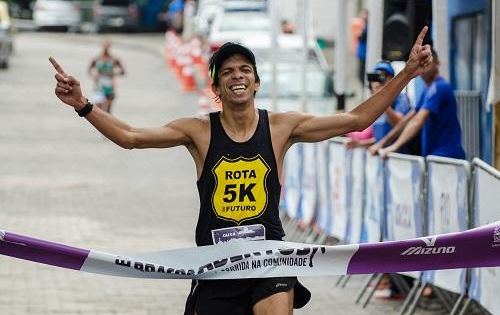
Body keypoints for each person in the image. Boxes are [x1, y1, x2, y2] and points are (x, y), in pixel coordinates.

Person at [49, 26, 432, 315]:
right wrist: (83, 105)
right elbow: (131, 137)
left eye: (245, 69)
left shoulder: (282, 126)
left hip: (269, 257)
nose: (237, 75)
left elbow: (355, 118)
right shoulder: (197, 131)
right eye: (228, 71)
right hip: (216, 263)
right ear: (216, 85)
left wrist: (408, 73)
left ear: (256, 81)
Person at [377, 49, 465, 159]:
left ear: (437, 64)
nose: (424, 68)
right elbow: (407, 119)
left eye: (428, 63)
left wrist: (394, 147)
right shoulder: (426, 90)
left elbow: (418, 120)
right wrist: (382, 143)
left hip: (446, 156)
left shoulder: (439, 87)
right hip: (434, 156)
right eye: (421, 64)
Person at [346, 61, 410, 149]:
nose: (379, 81)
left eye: (383, 76)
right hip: (381, 156)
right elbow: (378, 139)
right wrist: (359, 144)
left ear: (392, 79)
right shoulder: (372, 104)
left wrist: (383, 100)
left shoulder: (401, 98)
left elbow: (399, 124)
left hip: (398, 154)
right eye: (376, 77)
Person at [88, 40, 125, 114]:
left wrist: (114, 73)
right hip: (99, 86)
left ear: (109, 46)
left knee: (108, 110)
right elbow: (89, 70)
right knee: (98, 111)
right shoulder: (97, 58)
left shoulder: (114, 59)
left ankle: (108, 125)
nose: (105, 48)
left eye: (107, 46)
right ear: (102, 46)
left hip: (110, 87)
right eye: (104, 46)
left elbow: (123, 72)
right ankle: (100, 125)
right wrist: (94, 76)